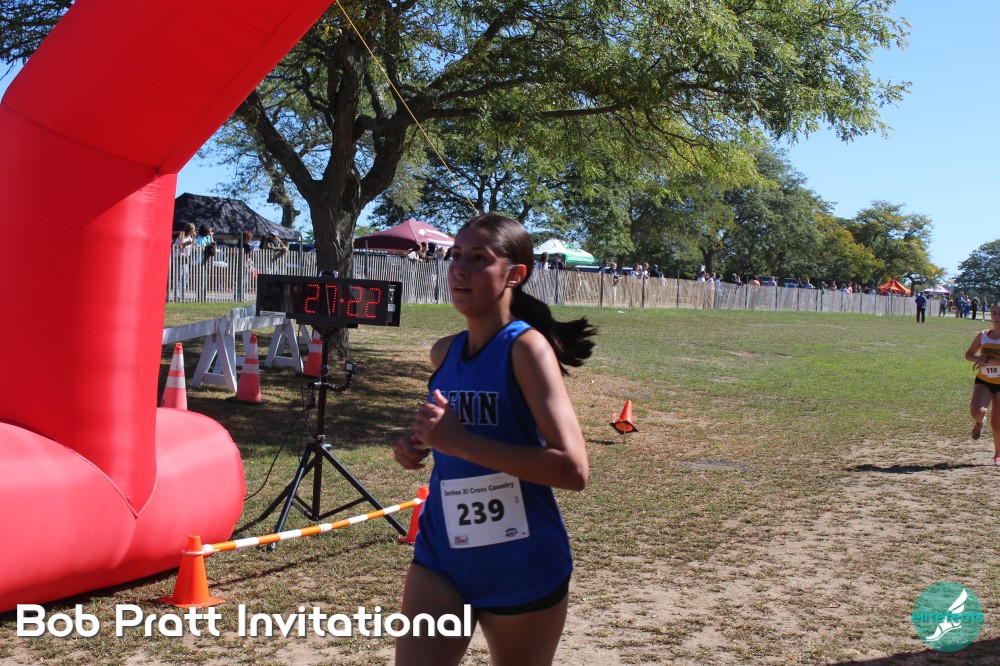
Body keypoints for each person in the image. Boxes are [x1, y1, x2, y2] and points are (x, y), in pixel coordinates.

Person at [393, 213, 595, 665]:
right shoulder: (444, 352)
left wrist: (459, 442)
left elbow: (573, 469)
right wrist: (417, 443)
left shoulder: (527, 349)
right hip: (442, 555)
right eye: (455, 256)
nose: (460, 269)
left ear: (514, 274)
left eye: (479, 259)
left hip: (519, 564)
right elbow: (450, 433)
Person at [965, 303, 1000, 466]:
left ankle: (998, 454)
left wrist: (993, 361)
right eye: (994, 313)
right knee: (976, 412)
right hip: (984, 381)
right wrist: (976, 359)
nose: (997, 317)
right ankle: (980, 422)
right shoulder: (983, 335)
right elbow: (968, 354)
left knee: (997, 422)